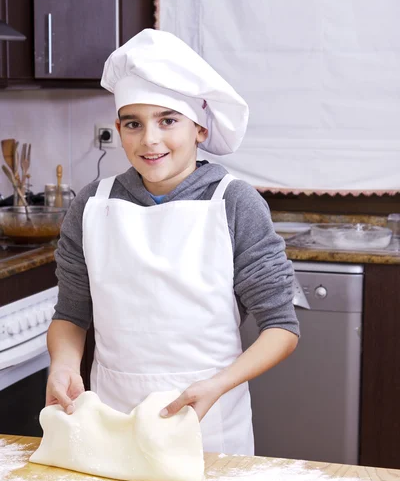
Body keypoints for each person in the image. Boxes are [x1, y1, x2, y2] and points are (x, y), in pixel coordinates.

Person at [46, 29, 299, 455]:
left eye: (167, 120)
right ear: (119, 129)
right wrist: (65, 363)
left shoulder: (233, 202)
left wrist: (217, 385)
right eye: (133, 123)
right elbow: (71, 314)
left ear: (199, 129)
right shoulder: (92, 204)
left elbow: (282, 328)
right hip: (113, 421)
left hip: (207, 421)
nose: (150, 139)